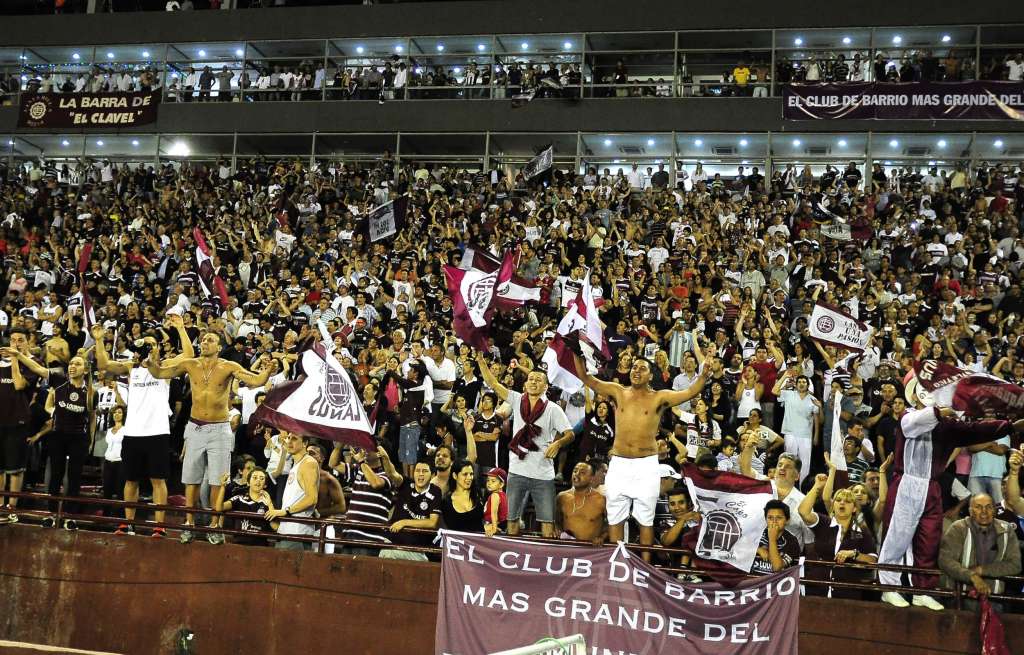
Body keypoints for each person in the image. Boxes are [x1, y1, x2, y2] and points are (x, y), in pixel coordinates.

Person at [878, 399, 1022, 610]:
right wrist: (951, 408)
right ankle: (888, 588)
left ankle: (923, 591)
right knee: (897, 538)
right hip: (906, 483)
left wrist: (1010, 426)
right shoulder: (907, 416)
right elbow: (919, 421)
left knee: (929, 542)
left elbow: (976, 430)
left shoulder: (949, 426)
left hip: (933, 487)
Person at [145, 330, 275, 544]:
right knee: (191, 479)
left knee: (218, 481)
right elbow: (159, 373)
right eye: (203, 339)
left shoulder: (228, 367)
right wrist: (149, 362)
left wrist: (268, 371)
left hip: (219, 429)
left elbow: (257, 380)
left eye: (210, 339)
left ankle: (215, 526)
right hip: (195, 427)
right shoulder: (190, 364)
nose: (205, 342)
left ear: (219, 346)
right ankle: (189, 523)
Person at [573, 353, 706, 558]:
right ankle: (617, 564)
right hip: (619, 464)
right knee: (615, 517)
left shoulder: (659, 397)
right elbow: (586, 378)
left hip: (646, 466)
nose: (636, 370)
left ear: (650, 375)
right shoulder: (617, 391)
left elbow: (690, 391)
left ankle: (644, 569)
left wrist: (704, 375)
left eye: (642, 368)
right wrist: (577, 354)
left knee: (645, 519)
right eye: (634, 367)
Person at [93, 318, 192, 537]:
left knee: (158, 480)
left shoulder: (165, 367)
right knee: (130, 479)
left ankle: (159, 525)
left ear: (157, 348)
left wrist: (182, 329)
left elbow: (189, 355)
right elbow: (103, 365)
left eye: (150, 345)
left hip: (157, 431)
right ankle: (128, 523)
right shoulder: (131, 368)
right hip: (133, 432)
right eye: (143, 345)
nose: (146, 349)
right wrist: (99, 340)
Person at [475, 352, 573, 538]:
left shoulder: (553, 409)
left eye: (538, 379)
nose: (533, 382)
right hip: (517, 470)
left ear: (545, 386)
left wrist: (558, 443)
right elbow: (494, 385)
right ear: (525, 384)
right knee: (512, 519)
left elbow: (570, 434)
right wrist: (481, 362)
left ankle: (544, 561)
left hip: (543, 474)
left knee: (547, 523)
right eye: (530, 379)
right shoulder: (517, 399)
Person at [30, 355, 96, 530]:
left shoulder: (90, 392)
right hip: (58, 436)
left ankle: (69, 516)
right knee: (55, 476)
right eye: (71, 363)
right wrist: (19, 355)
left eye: (78, 364)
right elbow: (38, 369)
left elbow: (92, 419)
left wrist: (91, 441)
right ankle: (52, 515)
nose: (73, 366)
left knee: (74, 478)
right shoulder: (59, 382)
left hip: (78, 439)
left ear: (86, 369)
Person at [799, 474, 879, 599]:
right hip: (817, 590)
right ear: (833, 505)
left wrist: (854, 554)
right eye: (838, 500)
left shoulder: (862, 531)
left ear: (854, 509)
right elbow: (803, 511)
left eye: (847, 501)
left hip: (847, 594)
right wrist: (817, 486)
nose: (842, 503)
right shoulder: (823, 522)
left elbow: (873, 560)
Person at [0, 328, 50, 523]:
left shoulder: (32, 364)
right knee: (1, 468)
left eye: (20, 340)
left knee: (16, 468)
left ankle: (11, 508)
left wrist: (14, 358)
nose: (15, 343)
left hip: (18, 421)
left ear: (28, 342)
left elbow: (19, 385)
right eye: (12, 340)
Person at [938, 493, 1021, 607]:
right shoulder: (958, 528)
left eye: (988, 507)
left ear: (994, 510)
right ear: (970, 511)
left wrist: (982, 570)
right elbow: (946, 561)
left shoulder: (1006, 530)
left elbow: (1015, 565)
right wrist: (972, 576)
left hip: (994, 598)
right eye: (978, 507)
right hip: (961, 597)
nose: (984, 512)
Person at [264, 433, 319, 551]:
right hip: (289, 531)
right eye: (288, 438)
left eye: (294, 438)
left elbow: (312, 498)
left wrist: (286, 511)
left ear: (305, 443)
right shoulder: (297, 464)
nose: (289, 441)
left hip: (297, 533)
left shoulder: (308, 463)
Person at [383, 458, 442, 560]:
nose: (420, 474)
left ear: (432, 475)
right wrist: (384, 457)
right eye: (417, 471)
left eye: (424, 471)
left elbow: (432, 523)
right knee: (386, 553)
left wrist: (404, 522)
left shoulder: (435, 491)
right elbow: (391, 473)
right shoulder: (405, 484)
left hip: (417, 550)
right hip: (392, 542)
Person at [222, 467, 278, 547]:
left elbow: (275, 527)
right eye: (255, 478)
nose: (258, 480)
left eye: (262, 478)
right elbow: (219, 507)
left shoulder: (268, 503)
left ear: (265, 485)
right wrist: (222, 487)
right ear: (248, 482)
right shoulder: (239, 498)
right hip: (239, 545)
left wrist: (270, 505)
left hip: (260, 548)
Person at [554, 461, 607, 544]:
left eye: (582, 473)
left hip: (591, 552)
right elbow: (557, 521)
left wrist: (601, 537)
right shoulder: (562, 497)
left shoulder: (601, 500)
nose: (577, 474)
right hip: (566, 548)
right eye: (575, 471)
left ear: (592, 478)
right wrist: (557, 531)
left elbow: (611, 524)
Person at [751, 500, 801, 576]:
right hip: (754, 583)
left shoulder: (792, 541)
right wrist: (757, 549)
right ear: (765, 519)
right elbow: (737, 550)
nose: (774, 521)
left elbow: (777, 567)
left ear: (787, 520)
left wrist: (772, 539)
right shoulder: (755, 533)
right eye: (770, 518)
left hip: (777, 585)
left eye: (779, 518)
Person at [441, 459, 484, 533]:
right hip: (459, 543)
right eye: (465, 474)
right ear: (455, 476)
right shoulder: (446, 502)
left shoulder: (479, 494)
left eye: (471, 474)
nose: (469, 478)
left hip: (480, 542)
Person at [482, 467, 508, 536]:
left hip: (491, 523)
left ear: (501, 484)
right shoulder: (504, 495)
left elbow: (494, 513)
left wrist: (494, 528)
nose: (489, 483)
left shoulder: (495, 495)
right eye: (488, 480)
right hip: (502, 524)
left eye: (493, 481)